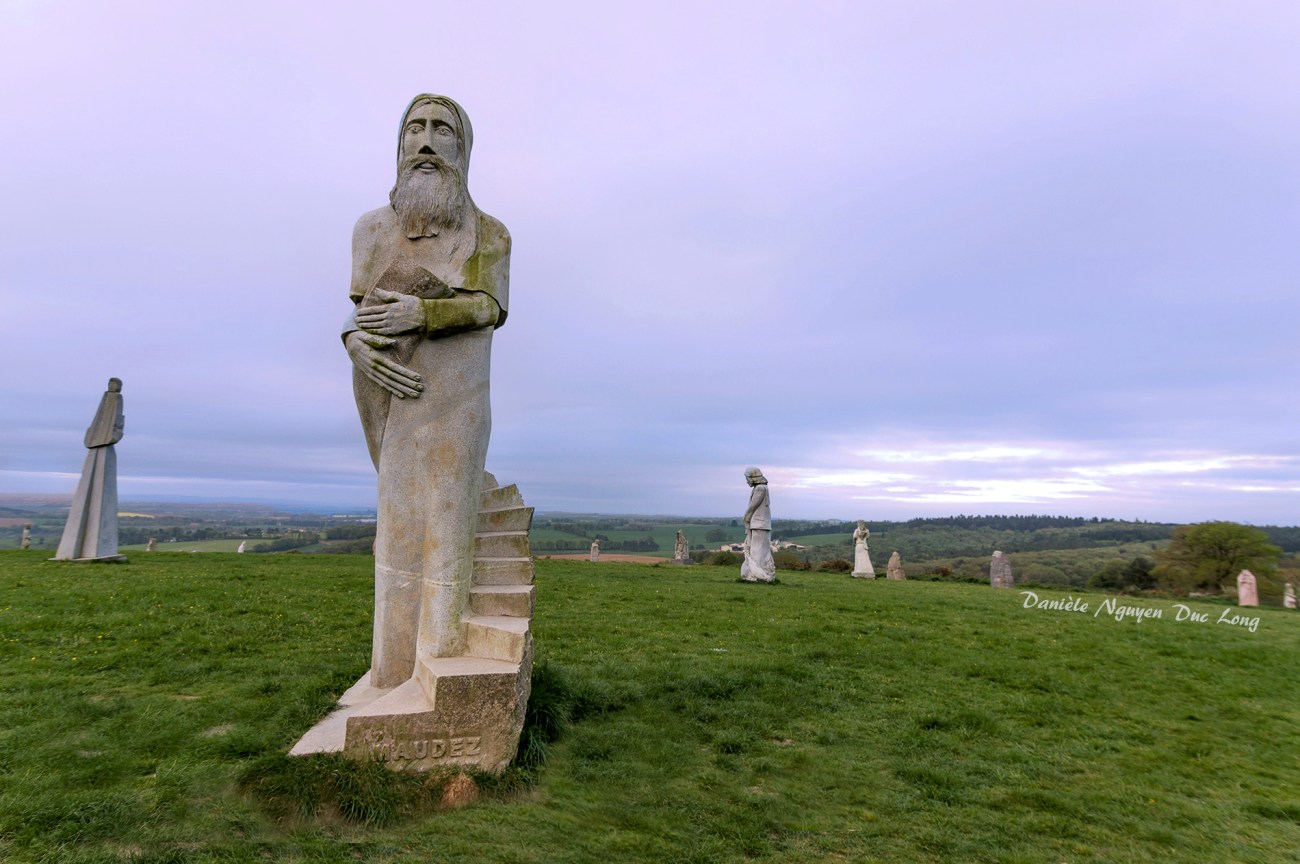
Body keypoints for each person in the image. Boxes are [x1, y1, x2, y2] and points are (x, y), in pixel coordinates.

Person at [342, 95, 511, 688]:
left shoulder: (488, 233)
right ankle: (391, 677)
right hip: (391, 398)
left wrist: (423, 314)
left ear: (463, 149)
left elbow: (488, 307)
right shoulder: (370, 231)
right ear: (399, 142)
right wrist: (353, 344)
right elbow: (362, 316)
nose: (427, 141)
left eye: (443, 130)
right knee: (397, 536)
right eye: (416, 128)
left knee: (445, 537)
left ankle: (438, 666)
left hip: (458, 400)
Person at [54, 379, 125, 561]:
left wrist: (114, 433)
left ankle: (93, 551)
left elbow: (117, 421)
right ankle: (71, 552)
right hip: (95, 444)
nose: (113, 388)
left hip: (103, 444)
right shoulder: (105, 400)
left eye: (115, 386)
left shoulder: (117, 400)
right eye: (111, 385)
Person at [741, 467, 775, 582]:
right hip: (759, 523)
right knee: (756, 550)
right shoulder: (760, 487)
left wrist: (746, 517)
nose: (747, 481)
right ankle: (756, 574)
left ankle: (757, 575)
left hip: (759, 523)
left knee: (757, 551)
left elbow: (752, 507)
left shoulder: (760, 488)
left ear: (753, 477)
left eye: (747, 478)